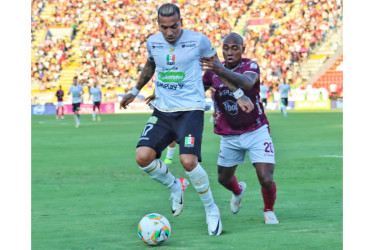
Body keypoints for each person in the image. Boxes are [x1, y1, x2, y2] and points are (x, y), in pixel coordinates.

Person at [119, 3, 223, 235]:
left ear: (181, 22)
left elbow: (217, 68)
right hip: (163, 110)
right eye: (164, 27)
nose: (169, 32)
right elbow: (151, 64)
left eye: (174, 26)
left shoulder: (199, 41)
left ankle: (211, 209)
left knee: (188, 162)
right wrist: (134, 91)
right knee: (142, 157)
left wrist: (235, 94)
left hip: (190, 109)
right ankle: (174, 185)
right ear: (159, 25)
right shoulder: (153, 41)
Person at [201, 32, 279, 224]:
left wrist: (219, 69)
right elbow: (195, 89)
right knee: (223, 179)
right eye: (226, 48)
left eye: (234, 48)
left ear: (243, 50)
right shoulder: (212, 73)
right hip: (229, 135)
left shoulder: (250, 66)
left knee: (266, 178)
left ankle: (268, 210)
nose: (229, 52)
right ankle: (238, 191)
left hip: (256, 130)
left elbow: (247, 82)